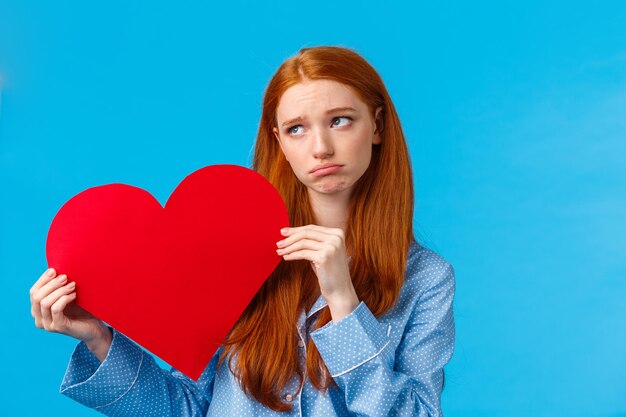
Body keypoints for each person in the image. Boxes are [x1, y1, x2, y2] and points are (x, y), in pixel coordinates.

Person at [29, 45, 456, 416]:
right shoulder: (234, 255)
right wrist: (99, 339)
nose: (321, 147)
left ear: (377, 126)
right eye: (297, 128)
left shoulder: (426, 279)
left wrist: (344, 303)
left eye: (340, 120)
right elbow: (184, 408)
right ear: (279, 141)